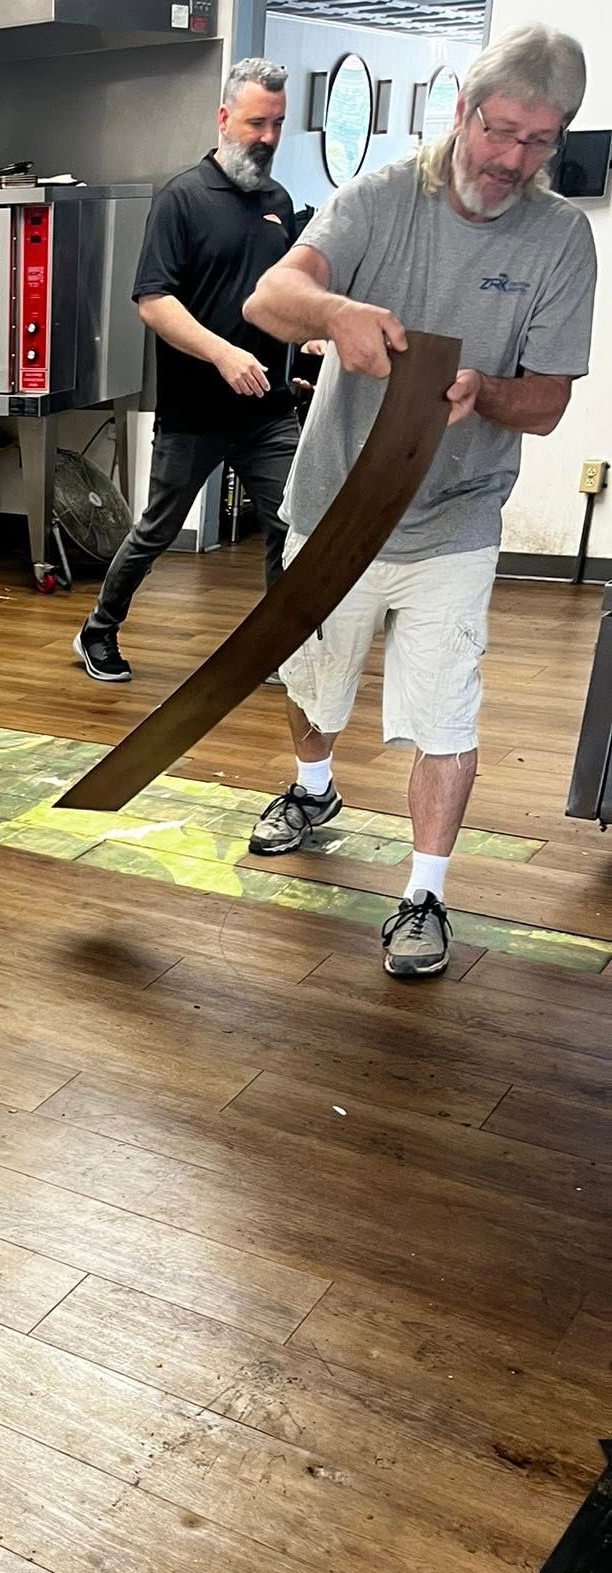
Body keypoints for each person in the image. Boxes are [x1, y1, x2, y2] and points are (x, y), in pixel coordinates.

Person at [244, 23, 594, 979]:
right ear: (464, 111)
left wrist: (485, 393)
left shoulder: (563, 239)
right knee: (311, 681)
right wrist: (335, 314)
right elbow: (270, 298)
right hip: (334, 507)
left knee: (446, 717)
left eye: (541, 140)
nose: (515, 158)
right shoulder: (381, 199)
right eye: (503, 131)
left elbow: (552, 401)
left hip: (456, 520)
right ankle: (314, 791)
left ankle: (424, 891)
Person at [74, 57, 301, 685]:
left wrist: (302, 346)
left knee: (290, 522)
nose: (268, 138)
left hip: (268, 408)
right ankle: (99, 629)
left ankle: (279, 644)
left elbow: (279, 296)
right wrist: (223, 354)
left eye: (278, 124)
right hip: (195, 409)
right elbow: (154, 301)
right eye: (258, 122)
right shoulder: (183, 198)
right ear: (225, 118)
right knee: (158, 529)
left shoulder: (278, 203)